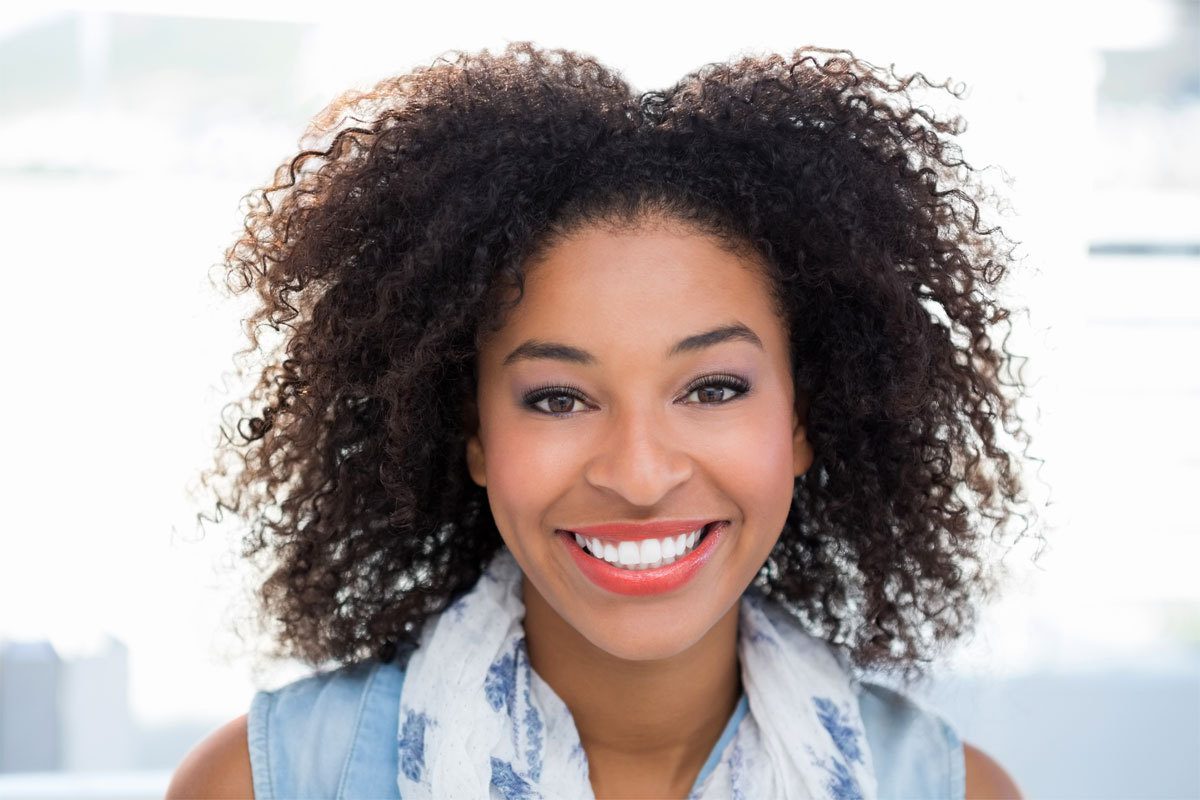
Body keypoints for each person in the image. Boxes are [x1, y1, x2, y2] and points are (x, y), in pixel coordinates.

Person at [167, 41, 1033, 799]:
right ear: (473, 433)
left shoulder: (951, 792)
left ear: (804, 419)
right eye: (558, 398)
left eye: (712, 389)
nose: (640, 474)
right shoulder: (265, 785)